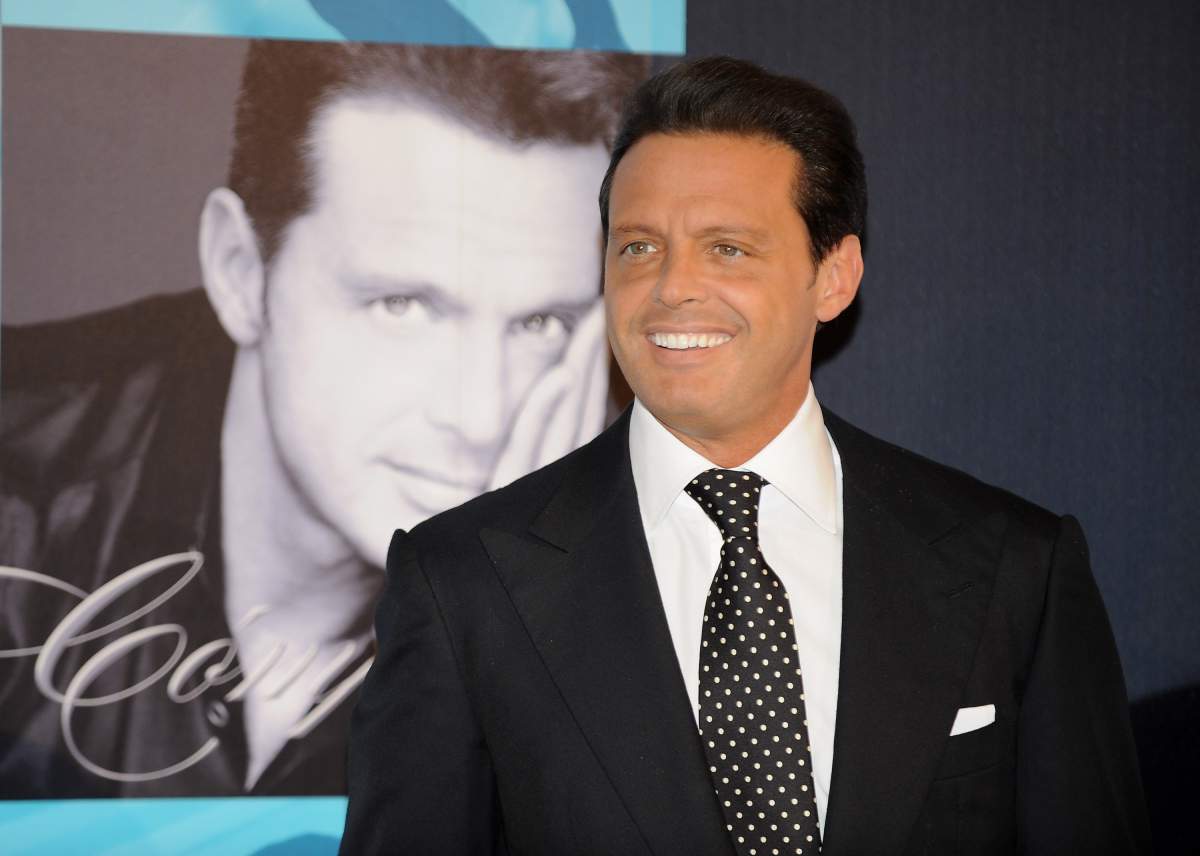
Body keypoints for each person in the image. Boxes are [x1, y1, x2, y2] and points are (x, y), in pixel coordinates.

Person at [342, 56, 1151, 854]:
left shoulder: (1015, 567)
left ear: (834, 277)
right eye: (638, 247)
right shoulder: (462, 586)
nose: (672, 287)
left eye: (727, 248)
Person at [0, 40, 645, 797]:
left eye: (541, 324)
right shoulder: (20, 501)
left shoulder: (654, 564)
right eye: (404, 307)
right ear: (240, 272)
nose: (480, 416)